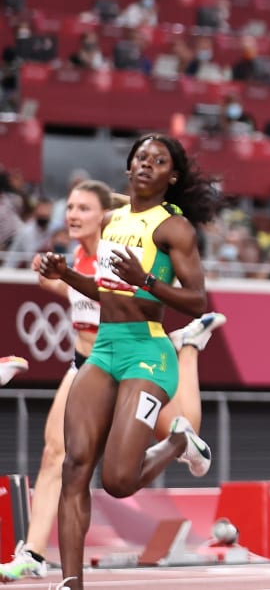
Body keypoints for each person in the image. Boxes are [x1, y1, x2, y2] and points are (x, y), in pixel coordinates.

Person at [0, 179, 226, 583]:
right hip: (90, 362)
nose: (72, 215)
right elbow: (67, 289)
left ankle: (187, 349)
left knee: (178, 426)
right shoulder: (76, 258)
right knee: (58, 455)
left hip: (138, 358)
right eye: (68, 207)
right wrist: (52, 275)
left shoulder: (124, 246)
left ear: (105, 215)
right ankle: (35, 552)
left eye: (83, 209)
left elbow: (157, 282)